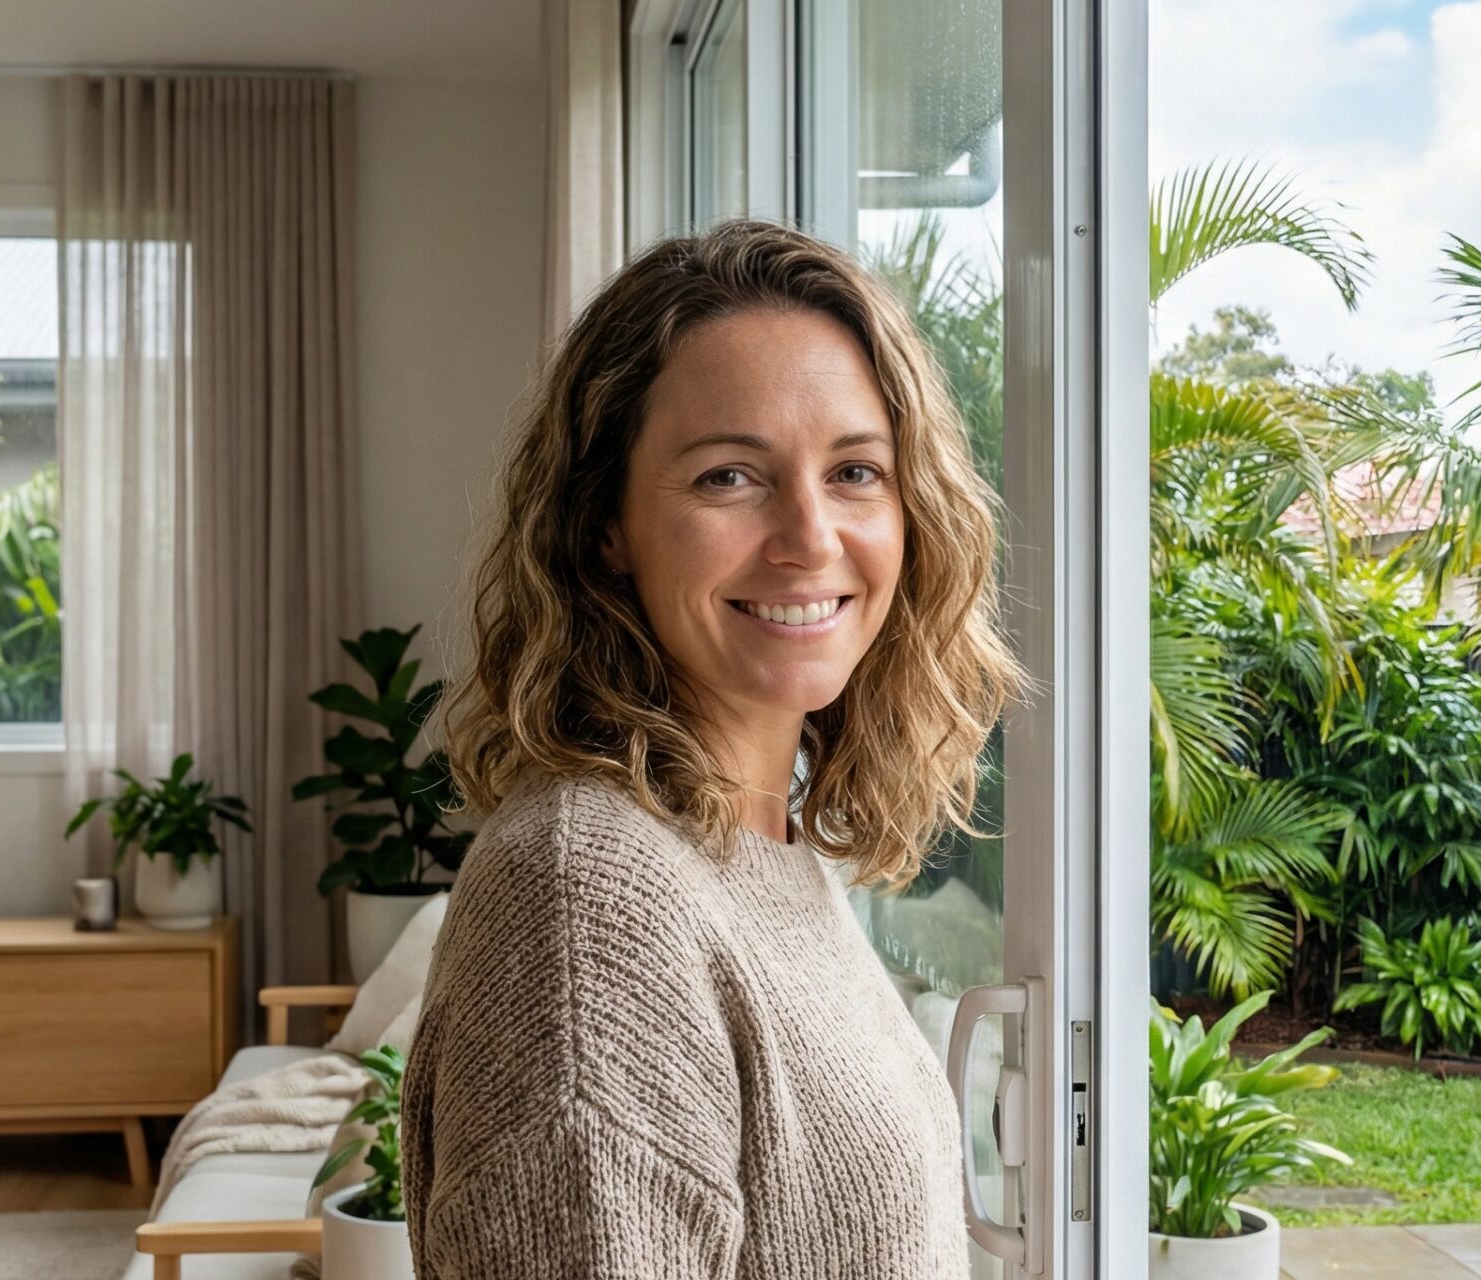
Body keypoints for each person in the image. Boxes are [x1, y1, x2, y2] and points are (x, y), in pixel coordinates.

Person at [403, 217, 1026, 1278]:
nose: (811, 537)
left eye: (857, 471)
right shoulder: (590, 899)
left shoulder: (757, 848)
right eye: (729, 476)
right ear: (606, 524)